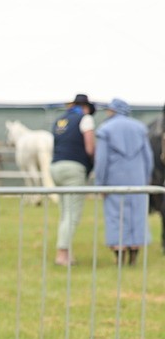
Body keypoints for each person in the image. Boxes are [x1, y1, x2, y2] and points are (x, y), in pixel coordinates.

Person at [94, 98, 153, 266]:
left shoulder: (105, 129)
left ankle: (120, 257)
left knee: (115, 217)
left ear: (113, 110)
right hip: (138, 181)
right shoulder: (140, 128)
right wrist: (146, 179)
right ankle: (134, 257)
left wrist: (100, 183)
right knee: (137, 217)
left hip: (114, 181)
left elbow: (101, 161)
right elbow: (147, 158)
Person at [49, 93, 97, 266]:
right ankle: (62, 255)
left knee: (64, 212)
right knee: (73, 214)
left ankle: (66, 252)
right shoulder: (85, 119)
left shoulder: (60, 120)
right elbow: (90, 148)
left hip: (55, 167)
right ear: (85, 107)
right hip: (74, 168)